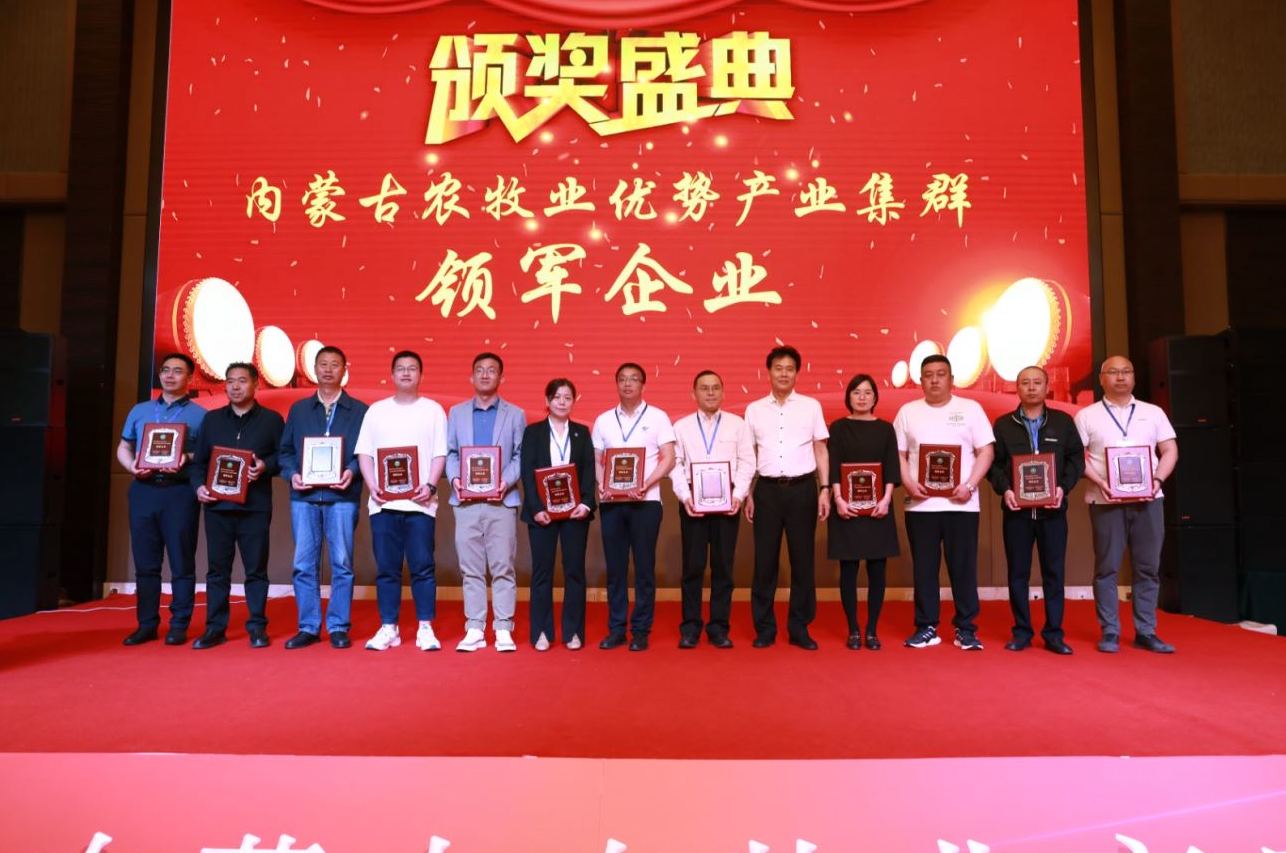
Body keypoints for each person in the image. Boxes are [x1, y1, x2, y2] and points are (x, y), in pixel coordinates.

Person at [1074, 355, 1179, 654]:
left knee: (1148, 568)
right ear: (1101, 379)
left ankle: (1146, 631)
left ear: (1133, 377)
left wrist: (1157, 480)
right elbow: (1076, 457)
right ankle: (1109, 631)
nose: (1120, 377)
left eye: (1126, 372)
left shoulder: (1153, 413)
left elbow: (1170, 450)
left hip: (1149, 501)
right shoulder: (1086, 415)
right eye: (1113, 372)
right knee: (1106, 568)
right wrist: (1100, 481)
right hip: (1105, 500)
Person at [893, 354, 994, 650]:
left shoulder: (971, 409)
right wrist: (909, 483)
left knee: (963, 568)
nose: (934, 380)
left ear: (951, 379)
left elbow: (986, 451)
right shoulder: (908, 412)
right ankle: (926, 627)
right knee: (924, 568)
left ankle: (966, 629)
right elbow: (898, 454)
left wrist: (969, 485)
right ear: (920, 380)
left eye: (940, 374)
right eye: (928, 375)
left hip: (962, 504)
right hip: (920, 505)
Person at [354, 350, 448, 652]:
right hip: (383, 505)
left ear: (421, 374)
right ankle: (389, 627)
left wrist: (430, 485)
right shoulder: (376, 411)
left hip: (421, 505)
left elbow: (440, 453)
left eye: (412, 368)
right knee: (387, 569)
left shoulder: (433, 410)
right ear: (392, 375)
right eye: (401, 368)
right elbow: (364, 452)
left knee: (423, 567)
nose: (406, 373)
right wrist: (372, 485)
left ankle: (425, 627)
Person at [987, 365, 1084, 655]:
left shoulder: (1063, 422)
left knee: (1054, 573)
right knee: (1017, 574)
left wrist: (1063, 488)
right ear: (1017, 388)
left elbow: (1076, 459)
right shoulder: (1003, 425)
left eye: (1037, 382)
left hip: (1053, 513)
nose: (1031, 388)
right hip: (1016, 514)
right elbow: (993, 464)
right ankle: (1021, 632)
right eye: (1025, 383)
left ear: (1046, 386)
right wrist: (1005, 489)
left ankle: (1054, 634)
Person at [278, 346, 368, 649]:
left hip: (342, 497)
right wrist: (292, 474)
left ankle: (339, 626)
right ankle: (308, 627)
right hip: (303, 497)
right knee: (304, 564)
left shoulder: (360, 411)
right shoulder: (299, 410)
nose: (328, 370)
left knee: (342, 564)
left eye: (335, 365)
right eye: (323, 364)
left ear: (345, 370)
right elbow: (285, 452)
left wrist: (352, 471)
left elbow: (365, 453)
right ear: (314, 369)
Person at [190, 362, 284, 649]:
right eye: (230, 381)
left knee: (256, 570)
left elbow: (284, 457)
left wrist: (265, 466)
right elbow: (199, 463)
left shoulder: (272, 420)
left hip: (255, 507)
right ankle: (215, 628)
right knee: (217, 571)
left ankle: (257, 627)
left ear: (255, 384)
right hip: (217, 507)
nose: (235, 386)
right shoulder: (212, 420)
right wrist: (199, 487)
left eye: (242, 381)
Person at [116, 353, 208, 646]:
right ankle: (146, 624)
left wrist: (186, 457)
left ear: (190, 378)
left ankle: (179, 624)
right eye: (165, 370)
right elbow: (124, 447)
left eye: (177, 371)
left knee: (182, 562)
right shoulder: (140, 410)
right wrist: (131, 466)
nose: (169, 375)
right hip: (143, 490)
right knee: (145, 563)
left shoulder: (201, 415)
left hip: (179, 492)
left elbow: (206, 455)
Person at [744, 345, 831, 650]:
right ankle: (765, 628)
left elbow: (821, 450)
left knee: (803, 561)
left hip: (803, 489)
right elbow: (749, 455)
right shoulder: (754, 409)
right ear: (768, 372)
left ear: (797, 373)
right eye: (778, 368)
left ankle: (799, 627)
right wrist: (748, 494)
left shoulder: (811, 406)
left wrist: (825, 489)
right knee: (764, 563)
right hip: (766, 491)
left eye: (789, 368)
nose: (783, 374)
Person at [591, 362, 676, 651]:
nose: (628, 384)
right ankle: (616, 629)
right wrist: (602, 483)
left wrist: (647, 483)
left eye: (634, 379)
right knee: (615, 569)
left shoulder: (658, 417)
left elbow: (668, 457)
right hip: (612, 502)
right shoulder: (604, 420)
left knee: (644, 568)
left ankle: (641, 630)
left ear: (643, 385)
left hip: (646, 502)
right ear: (616, 384)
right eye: (623, 379)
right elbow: (597, 458)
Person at [669, 370, 756, 649]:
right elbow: (675, 464)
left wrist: (738, 495)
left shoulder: (737, 425)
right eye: (704, 388)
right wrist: (685, 497)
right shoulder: (681, 426)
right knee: (692, 567)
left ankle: (719, 628)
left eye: (716, 388)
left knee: (723, 567)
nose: (710, 393)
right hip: (693, 501)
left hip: (728, 502)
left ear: (723, 392)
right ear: (693, 393)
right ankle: (690, 628)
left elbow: (747, 462)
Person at [446, 352, 525, 653]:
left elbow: (520, 455)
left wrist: (505, 482)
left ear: (501, 377)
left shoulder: (515, 414)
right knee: (471, 568)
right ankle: (475, 628)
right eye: (479, 370)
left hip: (501, 501)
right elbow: (451, 452)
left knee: (503, 566)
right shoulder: (456, 413)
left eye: (491, 370)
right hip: (465, 502)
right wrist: (456, 479)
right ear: (471, 376)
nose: (485, 375)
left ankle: (503, 627)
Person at [520, 378, 597, 651]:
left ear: (574, 401)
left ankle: (573, 631)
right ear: (547, 401)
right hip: (543, 514)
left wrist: (586, 504)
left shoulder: (582, 433)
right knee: (542, 572)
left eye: (567, 397)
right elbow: (527, 472)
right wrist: (536, 508)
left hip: (575, 513)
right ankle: (542, 631)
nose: (562, 402)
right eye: (556, 397)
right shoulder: (533, 433)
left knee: (574, 571)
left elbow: (589, 470)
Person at [827, 373, 900, 651]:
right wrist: (837, 499)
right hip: (846, 508)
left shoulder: (886, 429)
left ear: (875, 397)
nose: (862, 397)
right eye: (856, 392)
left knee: (877, 570)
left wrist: (886, 499)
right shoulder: (838, 428)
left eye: (867, 392)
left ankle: (871, 630)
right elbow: (834, 465)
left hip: (879, 508)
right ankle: (853, 630)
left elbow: (891, 467)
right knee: (848, 569)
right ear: (848, 397)